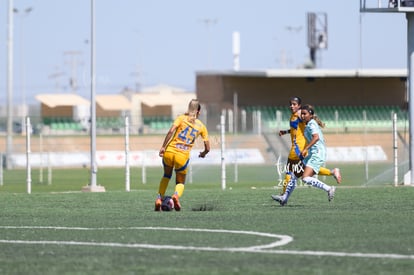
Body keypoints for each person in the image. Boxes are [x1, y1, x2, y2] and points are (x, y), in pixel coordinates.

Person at [271, 96, 341, 204]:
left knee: (304, 177)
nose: (302, 115)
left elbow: (316, 137)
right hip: (310, 152)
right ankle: (284, 198)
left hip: (312, 152)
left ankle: (329, 188)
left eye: (294, 104)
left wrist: (306, 148)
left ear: (310, 114)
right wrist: (285, 132)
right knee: (294, 175)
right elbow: (296, 129)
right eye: (291, 104)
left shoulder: (309, 123)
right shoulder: (305, 122)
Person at [154, 99, 210, 211]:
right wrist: (203, 153)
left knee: (166, 176)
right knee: (180, 182)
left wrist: (163, 147)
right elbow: (208, 148)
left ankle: (159, 198)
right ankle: (175, 196)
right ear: (199, 112)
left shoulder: (181, 118)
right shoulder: (201, 127)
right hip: (182, 156)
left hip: (169, 152)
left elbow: (170, 131)